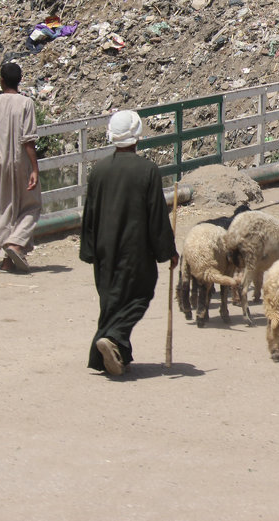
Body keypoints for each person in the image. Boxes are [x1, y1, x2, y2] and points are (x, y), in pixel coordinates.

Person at [80, 110, 179, 377]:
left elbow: (89, 214)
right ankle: (114, 337)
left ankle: (115, 353)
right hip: (135, 250)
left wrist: (88, 250)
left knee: (111, 300)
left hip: (104, 249)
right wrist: (167, 251)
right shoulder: (147, 170)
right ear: (138, 137)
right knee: (139, 295)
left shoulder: (98, 171)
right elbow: (156, 215)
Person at [0, 62, 41, 273]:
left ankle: (6, 261)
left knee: (4, 208)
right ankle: (15, 245)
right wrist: (34, 168)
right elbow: (28, 140)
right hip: (21, 161)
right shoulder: (26, 103)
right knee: (32, 206)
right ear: (20, 79)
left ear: (1, 80)